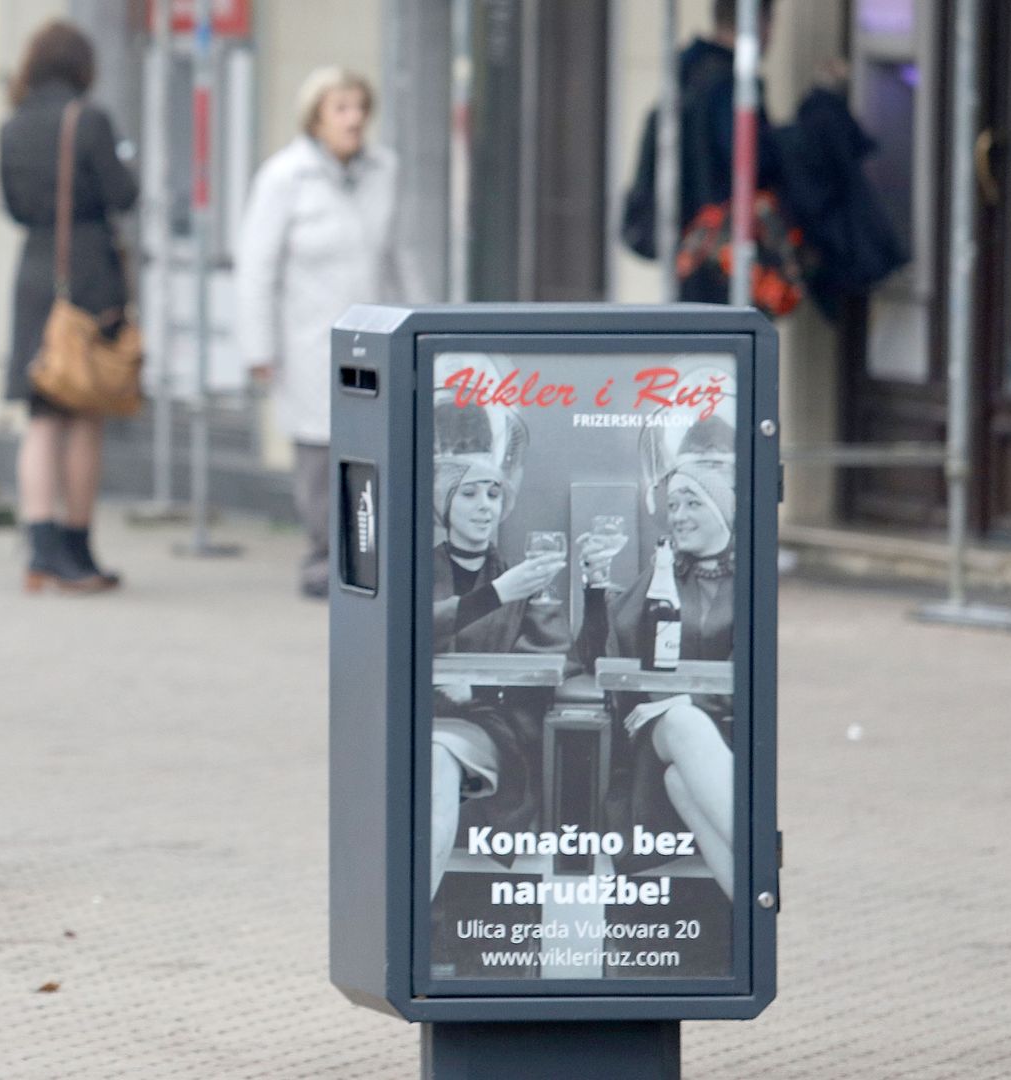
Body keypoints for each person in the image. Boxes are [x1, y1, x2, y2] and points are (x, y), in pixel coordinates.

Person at [236, 67, 418, 599]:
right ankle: (321, 558)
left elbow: (401, 254)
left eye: (360, 106)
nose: (354, 118)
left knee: (380, 444)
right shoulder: (284, 177)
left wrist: (423, 322)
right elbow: (256, 267)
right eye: (341, 108)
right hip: (309, 338)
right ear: (316, 117)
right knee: (319, 453)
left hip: (377, 332)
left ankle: (371, 559)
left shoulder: (386, 170)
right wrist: (258, 347)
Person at [572, 396, 738, 900]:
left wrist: (690, 698)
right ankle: (761, 848)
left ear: (723, 506)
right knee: (684, 724)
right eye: (673, 506)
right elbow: (597, 657)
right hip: (663, 741)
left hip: (728, 744)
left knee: (682, 787)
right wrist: (595, 588)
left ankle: (753, 904)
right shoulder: (662, 571)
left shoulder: (753, 581)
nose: (679, 516)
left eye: (693, 503)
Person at [1, 20, 139, 593]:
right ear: (82, 66)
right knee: (84, 411)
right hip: (86, 274)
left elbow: (13, 206)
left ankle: (41, 551)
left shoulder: (12, 126)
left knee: (40, 415)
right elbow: (123, 195)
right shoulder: (90, 118)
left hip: (35, 272)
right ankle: (78, 552)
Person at [427, 382, 568, 898]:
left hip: (483, 730)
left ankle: (418, 908)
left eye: (493, 494)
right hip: (408, 721)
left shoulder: (523, 578)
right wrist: (495, 595)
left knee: (439, 757)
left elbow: (558, 661)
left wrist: (481, 692)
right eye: (469, 493)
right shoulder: (416, 571)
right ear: (445, 502)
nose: (483, 506)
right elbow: (407, 632)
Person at [620, 0, 788, 305]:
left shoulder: (687, 73)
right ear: (758, 21)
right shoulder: (729, 87)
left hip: (689, 248)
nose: (772, 39)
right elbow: (750, 161)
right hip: (720, 254)